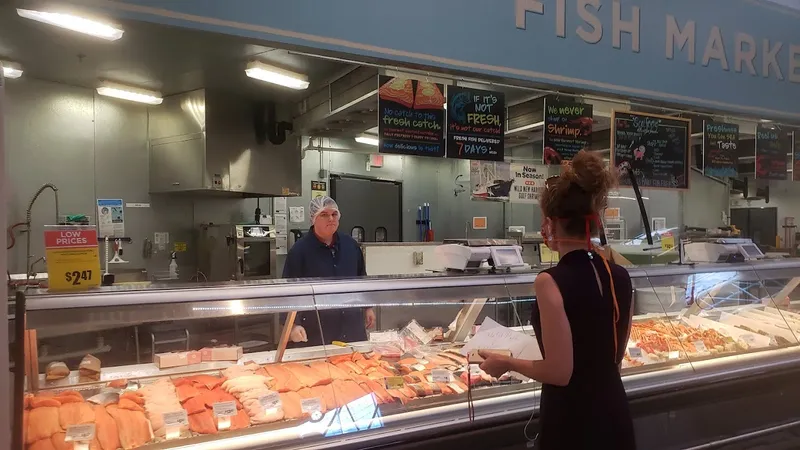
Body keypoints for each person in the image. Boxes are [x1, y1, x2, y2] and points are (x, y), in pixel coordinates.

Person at [479, 150, 636, 449]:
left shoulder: (549, 281)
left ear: (551, 223)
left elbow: (560, 372)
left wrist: (506, 362)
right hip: (614, 415)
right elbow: (612, 360)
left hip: (573, 422)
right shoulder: (620, 276)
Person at [282, 196, 376, 346]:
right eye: (324, 215)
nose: (331, 218)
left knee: (356, 366)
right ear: (313, 218)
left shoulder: (350, 245)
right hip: (317, 330)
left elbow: (361, 278)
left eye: (334, 214)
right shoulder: (299, 251)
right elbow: (288, 292)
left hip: (352, 327)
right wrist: (293, 325)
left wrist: (368, 307)